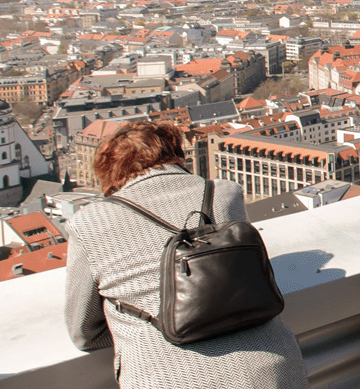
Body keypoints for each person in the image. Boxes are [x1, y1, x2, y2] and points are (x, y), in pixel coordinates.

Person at [65, 121, 308, 389]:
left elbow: (84, 333)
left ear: (109, 171)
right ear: (176, 154)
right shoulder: (224, 193)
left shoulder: (88, 223)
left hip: (169, 379)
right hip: (274, 371)